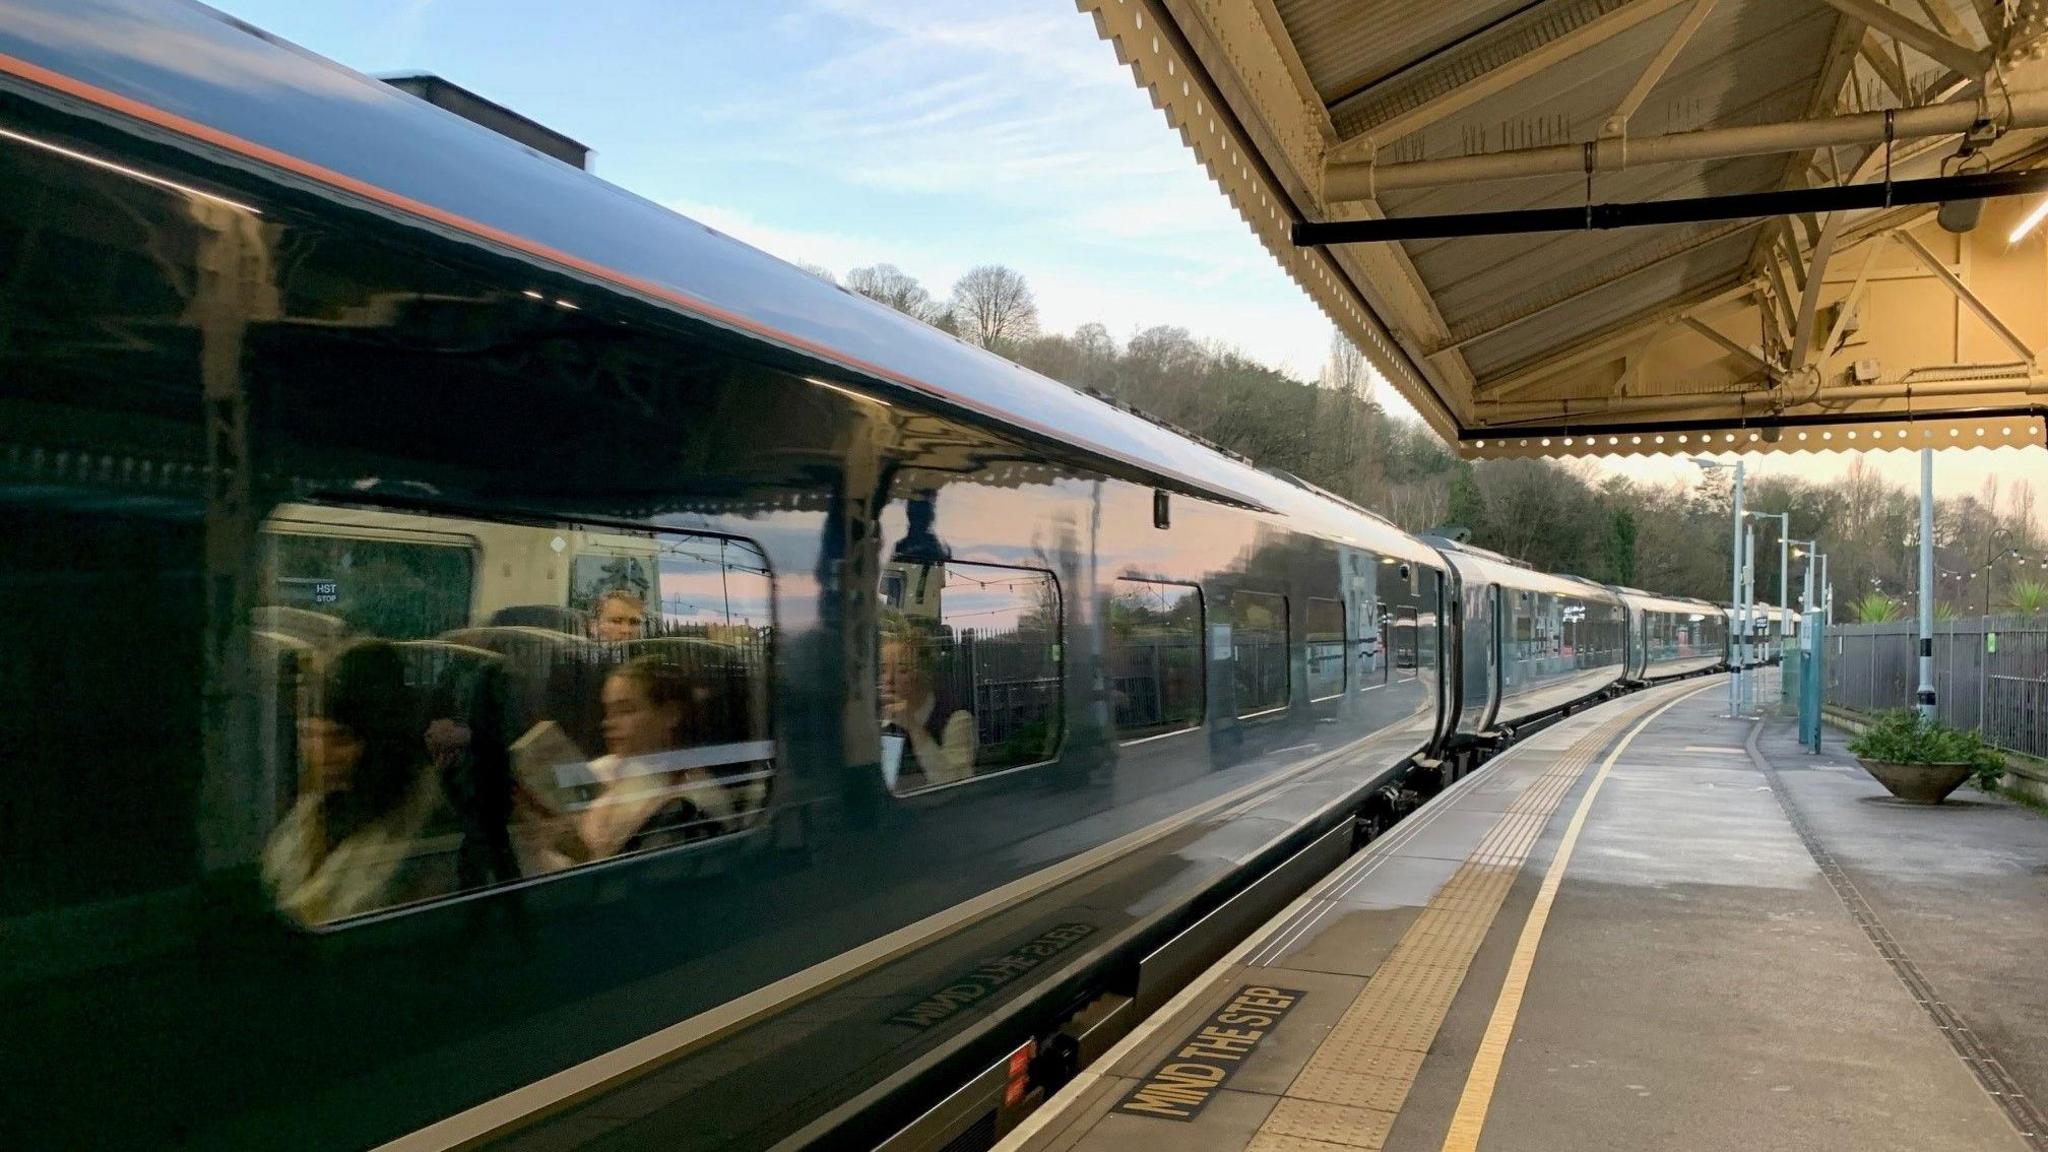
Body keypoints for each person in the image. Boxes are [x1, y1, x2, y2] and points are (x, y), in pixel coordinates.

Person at [263, 640, 447, 925]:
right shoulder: (324, 801)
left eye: (339, 739)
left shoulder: (422, 826)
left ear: (379, 741)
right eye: (310, 734)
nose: (320, 755)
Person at [573, 658, 735, 859]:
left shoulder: (695, 802)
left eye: (626, 710)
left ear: (671, 714)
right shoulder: (602, 770)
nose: (609, 723)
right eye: (608, 712)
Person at [878, 612, 977, 788]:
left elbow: (954, 783)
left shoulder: (957, 720)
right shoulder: (879, 720)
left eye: (902, 670)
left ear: (925, 674)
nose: (889, 680)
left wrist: (914, 728)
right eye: (884, 670)